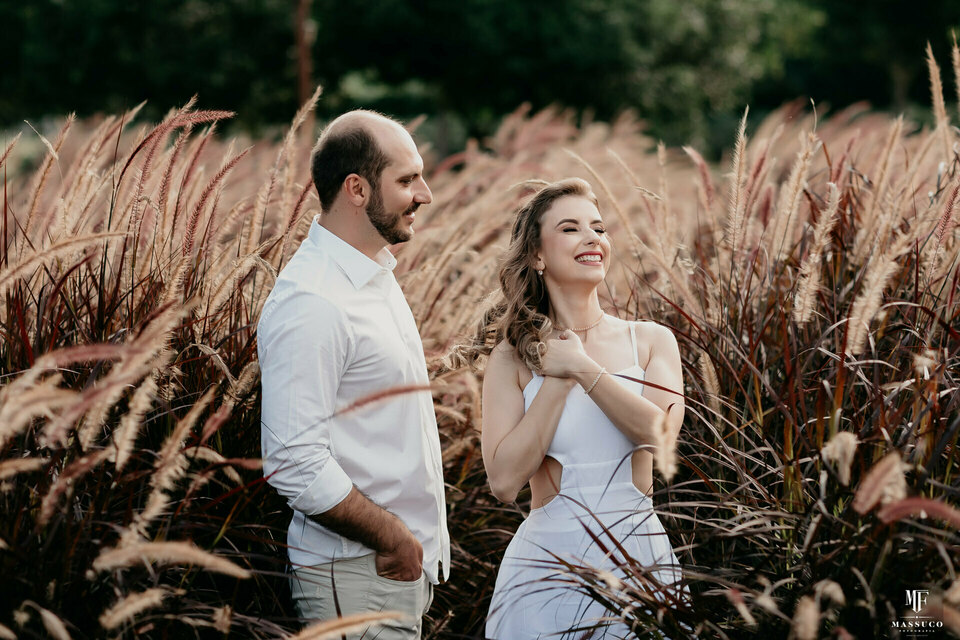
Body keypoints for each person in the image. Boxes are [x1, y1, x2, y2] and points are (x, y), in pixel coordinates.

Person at [451, 178, 684, 638]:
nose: (593, 238)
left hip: (639, 560)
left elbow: (661, 438)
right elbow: (503, 481)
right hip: (546, 570)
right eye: (571, 228)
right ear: (537, 255)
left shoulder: (652, 340)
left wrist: (581, 367)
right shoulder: (512, 356)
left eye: (599, 228)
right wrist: (555, 381)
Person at [257, 110, 449, 639]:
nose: (425, 194)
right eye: (407, 179)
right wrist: (392, 537)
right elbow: (293, 460)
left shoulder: (373, 276)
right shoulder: (314, 300)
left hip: (382, 576)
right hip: (355, 576)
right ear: (357, 189)